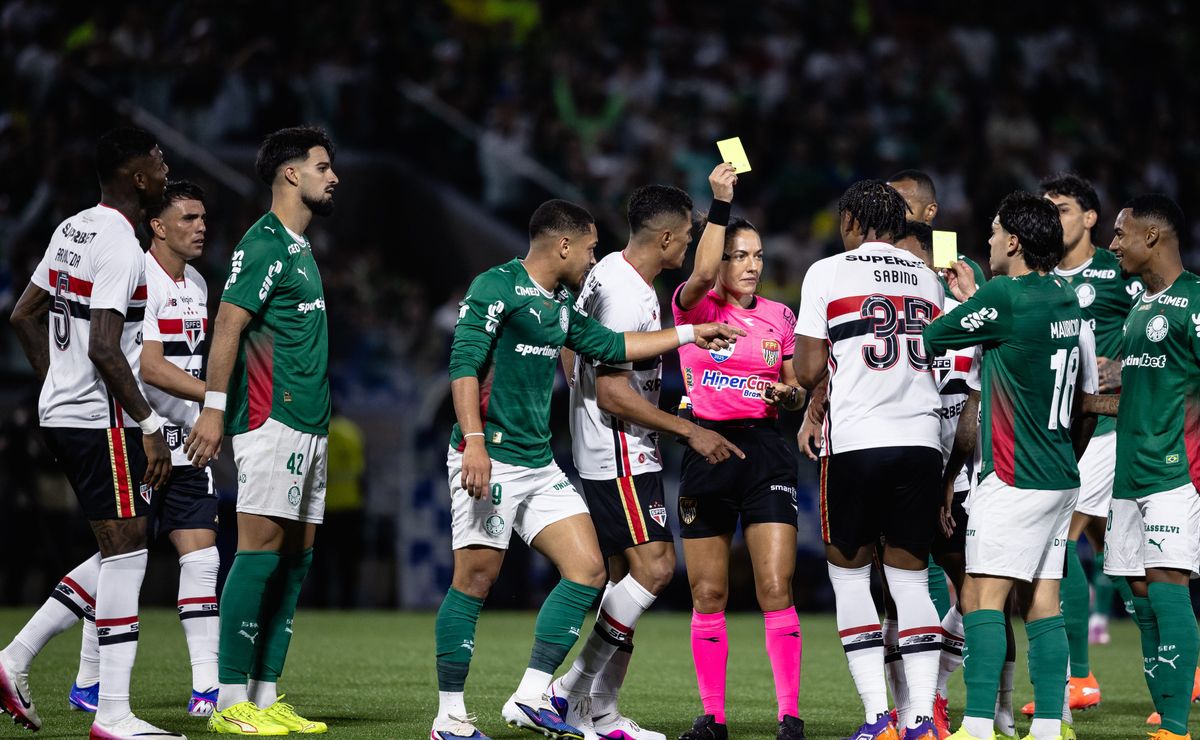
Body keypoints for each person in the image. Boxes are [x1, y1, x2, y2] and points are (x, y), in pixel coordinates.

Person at [430, 198, 742, 740]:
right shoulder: (495, 287)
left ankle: (533, 694)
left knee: (589, 570)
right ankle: (449, 717)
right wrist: (474, 443)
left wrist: (691, 334)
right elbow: (463, 366)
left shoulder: (558, 302)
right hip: (490, 455)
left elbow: (610, 344)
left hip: (538, 461)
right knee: (475, 579)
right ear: (564, 245)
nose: (595, 257)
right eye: (591, 247)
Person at [1, 127, 182, 739]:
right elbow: (106, 347)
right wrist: (149, 424)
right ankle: (112, 715)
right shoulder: (122, 247)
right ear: (138, 177)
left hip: (64, 416)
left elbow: (23, 314)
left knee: (123, 545)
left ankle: (15, 659)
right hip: (99, 422)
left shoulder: (72, 228)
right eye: (159, 162)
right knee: (128, 555)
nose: (165, 170)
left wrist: (58, 387)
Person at [550, 173, 743, 740]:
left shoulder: (608, 271)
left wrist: (581, 398)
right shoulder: (628, 295)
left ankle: (600, 711)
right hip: (621, 450)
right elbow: (614, 393)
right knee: (656, 568)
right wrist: (688, 430)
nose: (688, 248)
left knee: (623, 586)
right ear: (665, 239)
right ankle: (569, 689)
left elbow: (570, 346)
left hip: (605, 445)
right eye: (686, 238)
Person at [925, 192, 1098, 740]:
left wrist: (970, 301)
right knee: (1042, 601)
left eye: (996, 231)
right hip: (1061, 475)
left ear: (1015, 242)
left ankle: (977, 726)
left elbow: (933, 337)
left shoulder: (1004, 296)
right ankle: (1049, 725)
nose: (990, 239)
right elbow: (1085, 398)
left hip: (1012, 472)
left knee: (981, 596)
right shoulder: (1068, 298)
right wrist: (978, 300)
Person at [185, 125, 339, 736]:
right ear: (291, 174)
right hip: (271, 418)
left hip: (310, 423)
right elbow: (227, 325)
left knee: (296, 560)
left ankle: (265, 694)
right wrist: (214, 408)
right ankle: (229, 701)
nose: (334, 177)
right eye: (323, 167)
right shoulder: (265, 242)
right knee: (259, 551)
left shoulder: (299, 247)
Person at [793, 180, 944, 740]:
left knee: (851, 577)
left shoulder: (828, 272)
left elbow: (808, 371)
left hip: (857, 441)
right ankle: (921, 719)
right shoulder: (928, 277)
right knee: (912, 582)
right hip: (922, 440)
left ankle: (879, 717)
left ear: (853, 222)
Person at [672, 180, 808, 740]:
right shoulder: (695, 306)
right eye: (739, 256)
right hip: (707, 448)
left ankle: (790, 717)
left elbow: (796, 390)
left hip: (766, 451)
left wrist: (789, 395)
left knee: (775, 586)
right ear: (719, 261)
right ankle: (714, 718)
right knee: (708, 593)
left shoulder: (780, 316)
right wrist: (721, 205)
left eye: (758, 256)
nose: (752, 266)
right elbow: (701, 272)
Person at [1015, 173, 1143, 717]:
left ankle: (1078, 677)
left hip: (1107, 427)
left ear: (1090, 218)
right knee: (1122, 557)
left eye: (1063, 208)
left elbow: (1159, 329)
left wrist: (1121, 369)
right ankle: (1181, 665)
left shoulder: (1117, 272)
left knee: (1059, 539)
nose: (1054, 217)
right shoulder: (1036, 277)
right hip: (1056, 431)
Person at [1093, 194, 1200, 740]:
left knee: (1165, 584)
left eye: (1120, 233)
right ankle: (1164, 710)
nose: (1113, 244)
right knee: (1137, 591)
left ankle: (1176, 727)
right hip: (1128, 471)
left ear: (1152, 236)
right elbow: (1142, 393)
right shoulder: (1139, 308)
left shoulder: (1195, 301)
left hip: (1175, 471)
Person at [888, 220, 984, 737]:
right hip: (903, 469)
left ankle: (938, 694)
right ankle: (910, 710)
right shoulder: (885, 313)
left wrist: (951, 476)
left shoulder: (966, 301)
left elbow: (973, 398)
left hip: (961, 476)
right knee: (896, 592)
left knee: (975, 595)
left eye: (905, 254)